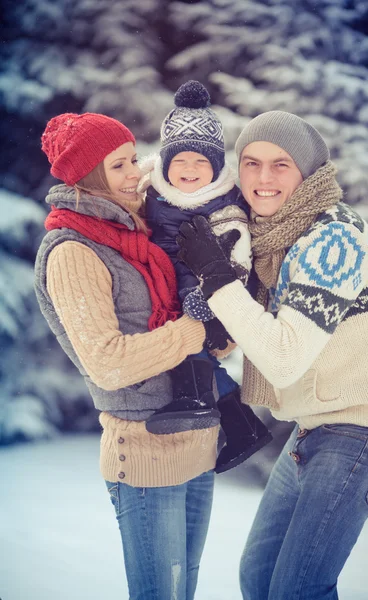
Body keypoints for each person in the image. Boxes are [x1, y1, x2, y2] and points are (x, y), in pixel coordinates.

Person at [176, 110, 368, 599]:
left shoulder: (332, 239)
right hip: (315, 424)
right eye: (252, 163)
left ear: (308, 173)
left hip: (363, 431)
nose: (263, 178)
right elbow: (263, 330)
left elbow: (282, 358)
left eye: (281, 165)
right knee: (259, 578)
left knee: (298, 590)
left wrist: (216, 279)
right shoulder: (276, 238)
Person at [35, 112, 219, 600]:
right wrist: (193, 330)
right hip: (142, 451)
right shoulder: (73, 250)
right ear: (91, 177)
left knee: (186, 591)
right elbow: (108, 362)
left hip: (196, 440)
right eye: (118, 166)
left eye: (133, 159)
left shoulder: (144, 237)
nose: (136, 172)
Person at [141, 80, 272, 473]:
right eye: (180, 161)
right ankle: (242, 424)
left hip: (204, 285)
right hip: (166, 283)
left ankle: (196, 398)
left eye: (201, 162)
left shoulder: (224, 203)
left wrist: (209, 295)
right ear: (165, 163)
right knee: (183, 339)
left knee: (187, 339)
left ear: (216, 167)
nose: (190, 170)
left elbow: (239, 252)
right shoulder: (152, 191)